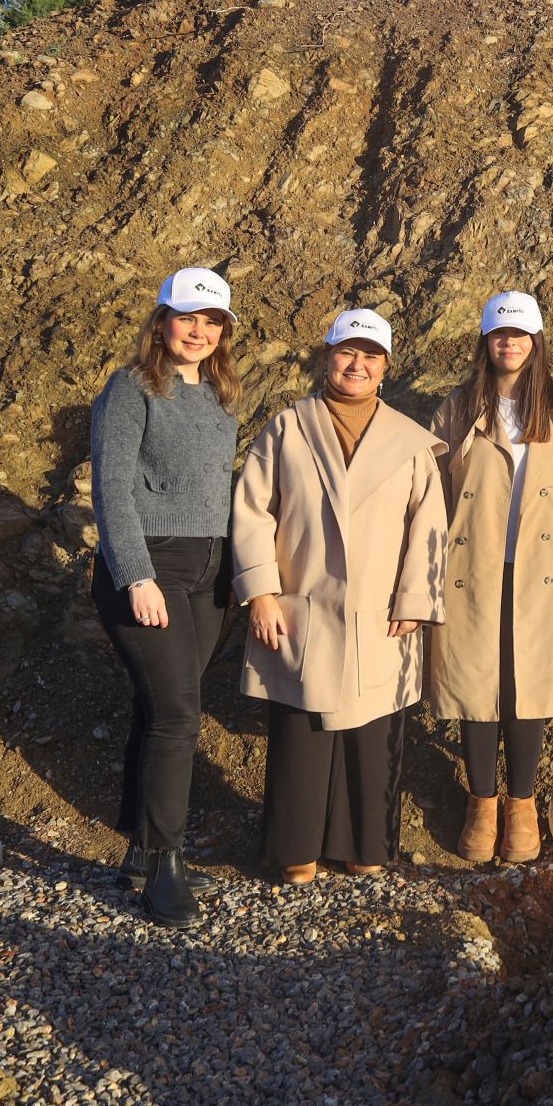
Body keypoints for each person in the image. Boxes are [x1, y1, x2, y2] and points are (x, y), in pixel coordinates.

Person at [231, 308, 448, 884]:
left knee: (373, 732)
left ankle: (366, 843)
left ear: (386, 368)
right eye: (347, 352)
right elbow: (252, 512)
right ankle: (294, 845)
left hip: (382, 610)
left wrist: (415, 600)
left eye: (371, 356)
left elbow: (429, 526)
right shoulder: (285, 428)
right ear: (327, 357)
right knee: (302, 729)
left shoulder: (409, 441)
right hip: (301, 602)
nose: (358, 364)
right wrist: (260, 593)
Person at [424, 291, 553, 865]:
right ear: (486, 342)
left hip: (540, 567)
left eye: (519, 335)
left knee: (525, 688)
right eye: (499, 334)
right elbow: (430, 484)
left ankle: (521, 803)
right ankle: (480, 804)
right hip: (471, 566)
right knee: (475, 687)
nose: (508, 343)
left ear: (535, 342)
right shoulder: (460, 406)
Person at [88, 267, 241, 927]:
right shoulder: (130, 387)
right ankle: (164, 863)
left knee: (157, 711)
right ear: (161, 321)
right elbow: (112, 487)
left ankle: (141, 851)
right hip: (153, 568)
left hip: (210, 574)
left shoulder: (219, 393)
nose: (199, 331)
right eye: (187, 317)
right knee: (179, 716)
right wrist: (137, 574)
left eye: (212, 322)